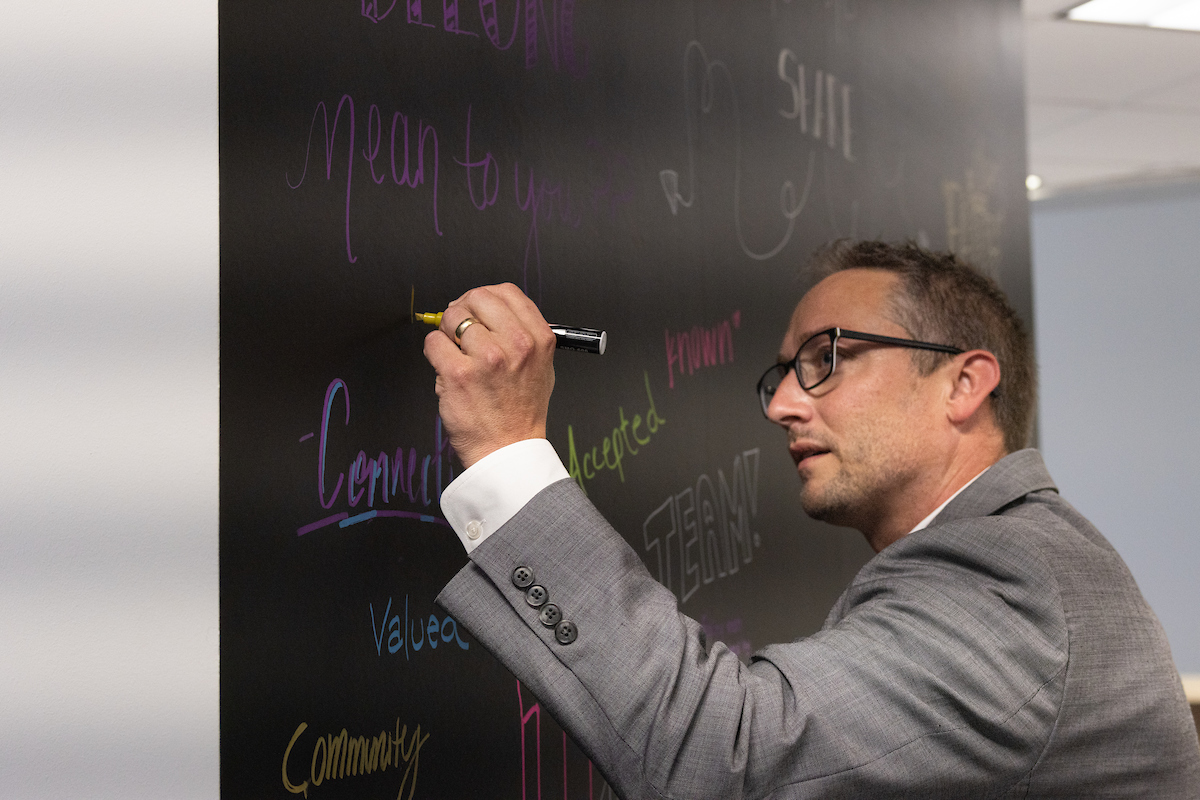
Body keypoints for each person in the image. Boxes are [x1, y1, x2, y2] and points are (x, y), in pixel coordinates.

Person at [423, 241, 1200, 798]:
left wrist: (508, 451)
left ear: (964, 384)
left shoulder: (1010, 583)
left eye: (826, 358)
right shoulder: (1019, 557)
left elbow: (730, 760)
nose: (787, 404)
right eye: (785, 373)